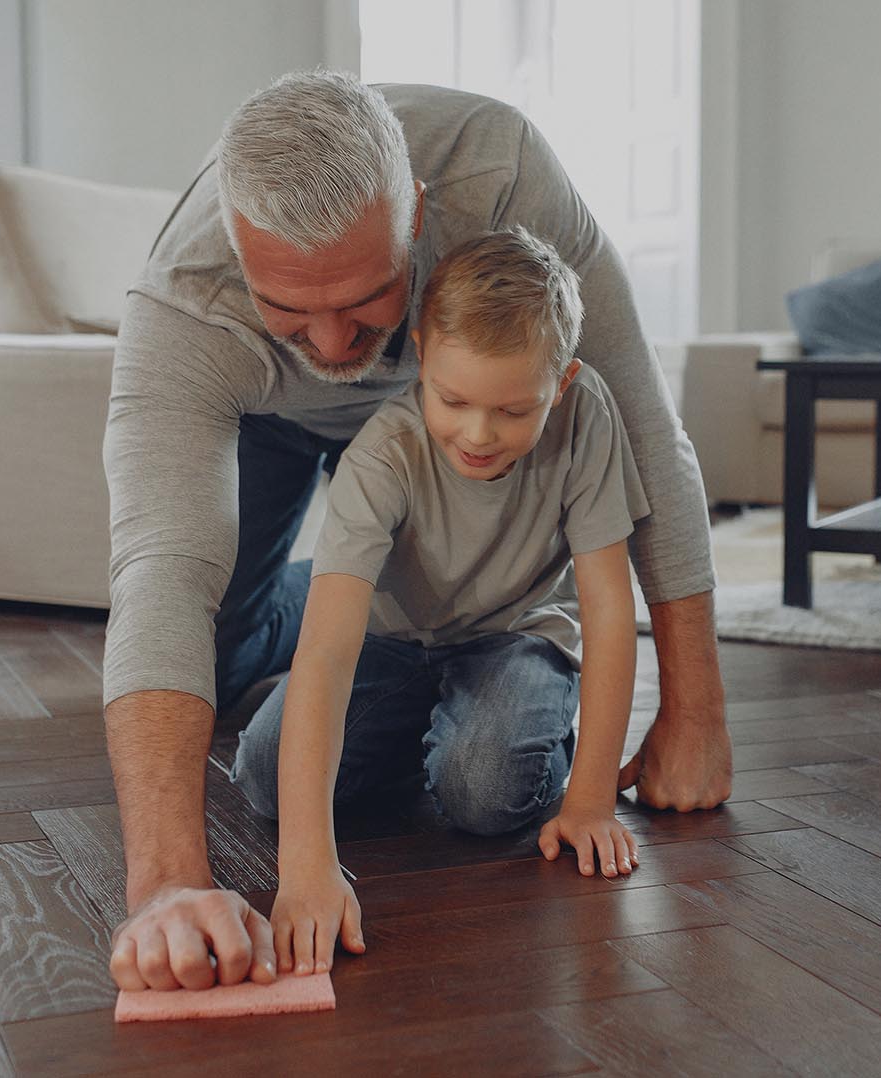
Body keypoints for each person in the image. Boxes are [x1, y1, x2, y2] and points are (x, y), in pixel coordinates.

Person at [103, 71, 731, 996]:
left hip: (445, 402)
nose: (329, 339)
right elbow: (160, 566)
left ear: (420, 219)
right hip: (273, 417)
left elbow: (644, 429)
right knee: (216, 647)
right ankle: (322, 588)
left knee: (481, 767)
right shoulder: (184, 305)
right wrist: (166, 886)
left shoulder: (503, 177)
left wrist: (697, 712)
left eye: (362, 295)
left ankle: (393, 595)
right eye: (288, 304)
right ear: (238, 255)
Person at [231, 228, 645, 977]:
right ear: (421, 354)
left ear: (562, 382)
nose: (479, 434)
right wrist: (307, 867)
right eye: (453, 400)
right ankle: (423, 733)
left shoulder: (587, 415)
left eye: (515, 412)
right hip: (391, 643)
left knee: (484, 794)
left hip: (514, 637)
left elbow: (611, 609)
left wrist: (589, 800)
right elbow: (325, 652)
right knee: (263, 774)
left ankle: (514, 736)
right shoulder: (383, 455)